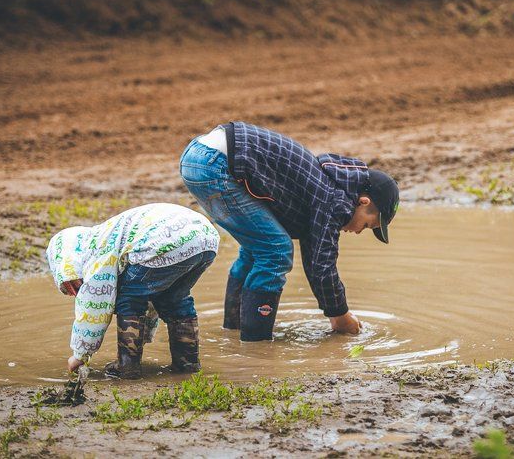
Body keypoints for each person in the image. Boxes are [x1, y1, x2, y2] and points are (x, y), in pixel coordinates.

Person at [179, 122, 399, 342]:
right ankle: (256, 346)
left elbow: (315, 259)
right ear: (363, 202)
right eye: (367, 225)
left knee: (257, 249)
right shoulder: (335, 200)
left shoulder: (329, 185)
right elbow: (322, 266)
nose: (359, 232)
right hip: (217, 164)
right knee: (276, 251)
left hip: (199, 154)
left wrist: (335, 310)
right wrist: (340, 315)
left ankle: (234, 332)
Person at [45, 203, 219, 379]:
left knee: (128, 297)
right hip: (206, 238)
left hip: (166, 241)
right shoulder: (107, 236)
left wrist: (80, 355)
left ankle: (127, 367)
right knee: (174, 298)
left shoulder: (96, 252)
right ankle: (187, 364)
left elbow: (93, 307)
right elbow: (150, 292)